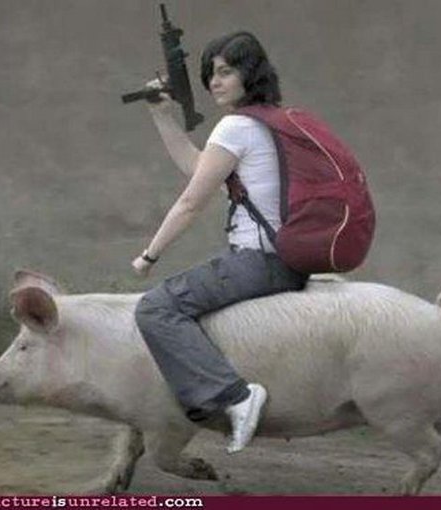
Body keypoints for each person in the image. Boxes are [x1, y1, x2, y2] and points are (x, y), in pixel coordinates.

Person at [132, 32, 308, 454]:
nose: (214, 81)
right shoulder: (270, 121)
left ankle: (235, 397)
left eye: (226, 71)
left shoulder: (237, 126)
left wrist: (149, 255)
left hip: (259, 261)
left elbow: (192, 201)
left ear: (250, 73)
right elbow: (200, 170)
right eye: (210, 73)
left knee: (156, 308)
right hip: (285, 260)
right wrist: (162, 115)